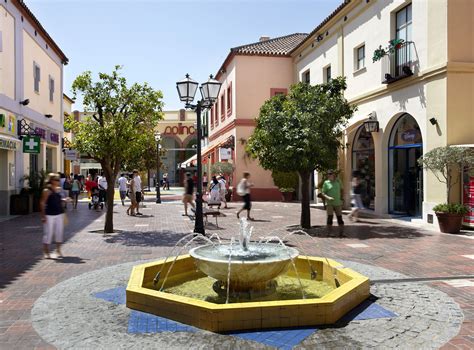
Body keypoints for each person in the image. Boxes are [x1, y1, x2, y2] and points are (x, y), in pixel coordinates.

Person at [40, 173, 66, 259]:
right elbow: (42, 203)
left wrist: (64, 200)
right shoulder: (47, 191)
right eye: (56, 179)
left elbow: (58, 199)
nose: (58, 181)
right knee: (48, 233)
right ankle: (46, 251)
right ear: (51, 180)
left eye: (58, 179)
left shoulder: (58, 189)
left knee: (59, 232)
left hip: (59, 213)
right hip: (49, 215)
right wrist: (43, 216)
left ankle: (58, 250)